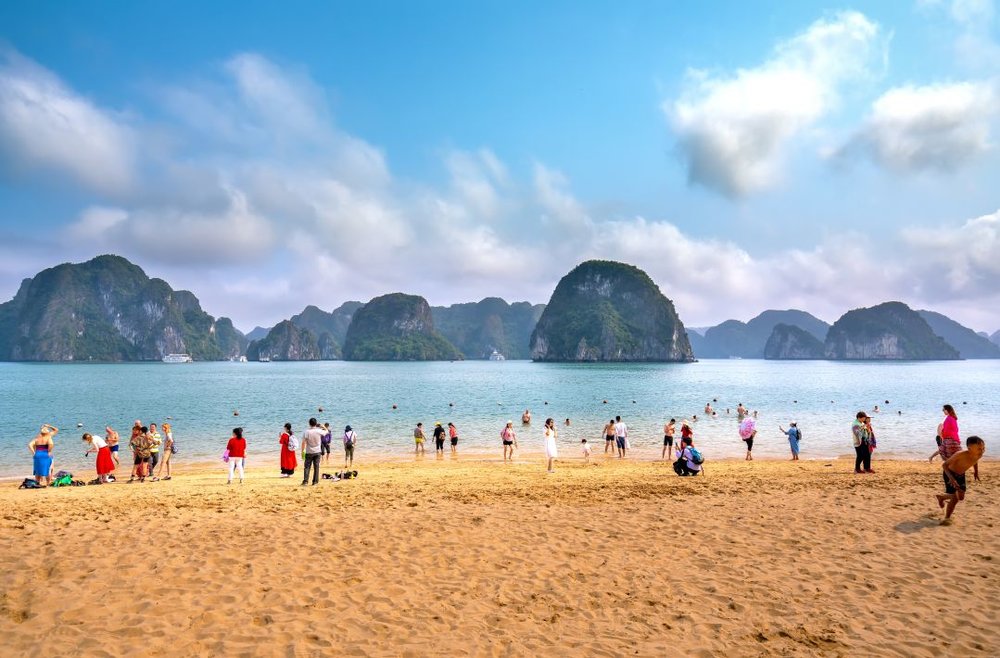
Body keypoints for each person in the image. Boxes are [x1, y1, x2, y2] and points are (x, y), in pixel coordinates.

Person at [937, 436, 985, 524]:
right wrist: (951, 478)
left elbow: (975, 460)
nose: (982, 451)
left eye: (983, 448)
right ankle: (947, 518)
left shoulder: (979, 454)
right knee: (955, 498)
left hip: (961, 475)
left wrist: (976, 472)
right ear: (969, 448)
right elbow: (944, 465)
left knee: (961, 497)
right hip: (950, 474)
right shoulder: (960, 454)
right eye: (979, 449)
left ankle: (941, 497)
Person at [301, 418, 324, 486]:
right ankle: (315, 482)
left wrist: (302, 451)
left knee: (307, 467)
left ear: (309, 423)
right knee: (316, 467)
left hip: (309, 451)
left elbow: (303, 442)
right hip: (317, 451)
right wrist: (323, 426)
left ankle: (305, 481)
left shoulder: (307, 432)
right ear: (316, 423)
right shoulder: (319, 431)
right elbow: (327, 432)